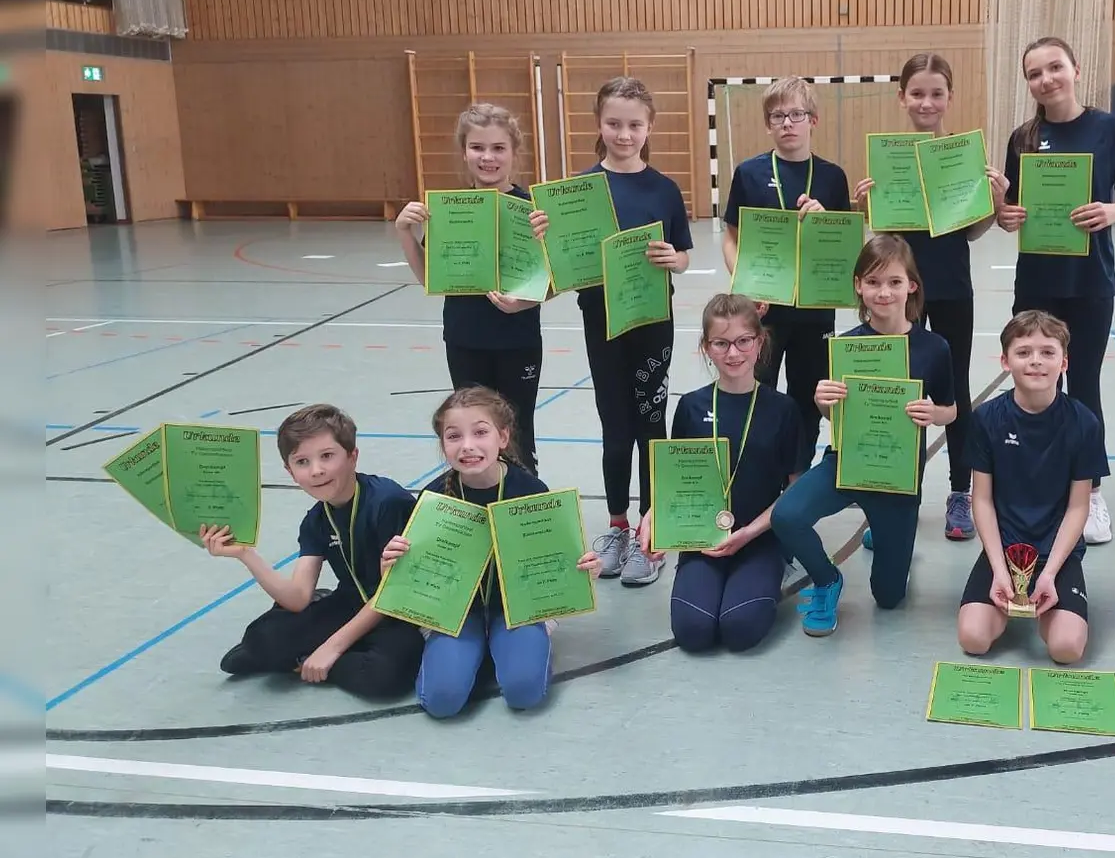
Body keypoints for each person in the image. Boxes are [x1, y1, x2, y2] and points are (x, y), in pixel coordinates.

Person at [531, 76, 692, 587]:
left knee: (650, 423)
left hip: (651, 323)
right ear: (599, 124)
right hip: (601, 323)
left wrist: (676, 259)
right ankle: (618, 526)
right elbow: (557, 268)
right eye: (614, 124)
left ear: (649, 127)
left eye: (635, 125)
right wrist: (544, 236)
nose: (624, 134)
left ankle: (652, 531)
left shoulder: (664, 189)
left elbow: (684, 254)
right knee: (614, 424)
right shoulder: (577, 192)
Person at [850, 52, 1008, 544]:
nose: (926, 101)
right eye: (917, 93)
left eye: (936, 93)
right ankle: (895, 494)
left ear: (949, 99)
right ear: (902, 97)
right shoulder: (888, 159)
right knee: (899, 389)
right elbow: (883, 231)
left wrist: (993, 200)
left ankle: (960, 492)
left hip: (952, 285)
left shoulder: (961, 159)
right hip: (899, 290)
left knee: (952, 389)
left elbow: (976, 231)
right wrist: (864, 204)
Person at [996, 36, 1115, 545]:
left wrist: (1111, 212)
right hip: (1037, 282)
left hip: (1090, 283)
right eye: (1036, 74)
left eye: (1055, 68)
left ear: (1075, 69)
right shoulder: (1022, 137)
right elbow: (1010, 212)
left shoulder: (1106, 128)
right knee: (1037, 388)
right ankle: (1038, 488)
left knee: (1083, 385)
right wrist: (1005, 214)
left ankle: (1091, 495)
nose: (1047, 80)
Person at [771, 234, 956, 637]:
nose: (883, 292)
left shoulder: (933, 347)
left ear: (912, 285)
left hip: (897, 477)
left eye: (893, 281)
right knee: (786, 515)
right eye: (872, 282)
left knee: (889, 599)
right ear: (857, 286)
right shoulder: (845, 347)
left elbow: (952, 410)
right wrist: (823, 400)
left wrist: (933, 412)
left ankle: (887, 532)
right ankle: (826, 579)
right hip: (846, 462)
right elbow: (832, 414)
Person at [381, 387, 601, 719]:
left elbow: (556, 561)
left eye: (480, 432)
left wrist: (583, 569)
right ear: (443, 444)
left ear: (503, 436)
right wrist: (393, 568)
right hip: (456, 613)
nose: (467, 445)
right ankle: (475, 653)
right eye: (453, 436)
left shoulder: (530, 492)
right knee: (441, 702)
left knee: (523, 693)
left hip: (516, 610)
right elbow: (417, 577)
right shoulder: (433, 499)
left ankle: (513, 648)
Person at [200, 404, 423, 698]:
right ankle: (309, 650)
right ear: (290, 471)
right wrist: (245, 554)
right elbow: (297, 598)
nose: (316, 471)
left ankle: (306, 660)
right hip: (349, 603)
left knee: (383, 679)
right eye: (302, 461)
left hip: (395, 610)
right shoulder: (315, 521)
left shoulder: (387, 502)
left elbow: (394, 593)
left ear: (352, 456)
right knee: (261, 640)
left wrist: (331, 648)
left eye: (327, 456)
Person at [638, 294, 801, 653]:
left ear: (760, 343)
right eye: (721, 343)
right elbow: (673, 481)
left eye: (744, 341)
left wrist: (747, 534)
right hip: (701, 539)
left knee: (740, 629)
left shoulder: (783, 409)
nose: (733, 353)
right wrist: (653, 522)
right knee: (693, 632)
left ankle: (774, 572)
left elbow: (795, 492)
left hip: (759, 538)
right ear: (706, 348)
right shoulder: (690, 406)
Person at [394, 104, 543, 472]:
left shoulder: (532, 209)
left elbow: (552, 282)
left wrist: (522, 303)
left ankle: (522, 512)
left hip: (517, 340)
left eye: (498, 148)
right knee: (472, 429)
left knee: (518, 431)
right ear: (464, 152)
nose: (487, 157)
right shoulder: (451, 211)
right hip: (465, 338)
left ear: (513, 152)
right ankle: (478, 507)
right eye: (478, 147)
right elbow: (431, 278)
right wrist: (405, 233)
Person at [955, 311, 1108, 665]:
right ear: (1005, 361)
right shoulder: (987, 419)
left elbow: (1077, 508)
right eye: (1023, 352)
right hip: (1005, 550)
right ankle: (1008, 596)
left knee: (1066, 649)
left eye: (1047, 352)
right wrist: (998, 568)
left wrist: (1051, 572)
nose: (1036, 361)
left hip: (1056, 552)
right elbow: (982, 501)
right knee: (973, 639)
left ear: (1064, 362)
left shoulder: (1083, 423)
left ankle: (1050, 603)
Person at [720, 75, 853, 475]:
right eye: (778, 116)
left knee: (805, 399)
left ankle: (796, 480)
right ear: (767, 123)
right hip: (763, 312)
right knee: (756, 395)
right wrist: (743, 285)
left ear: (813, 120)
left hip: (814, 312)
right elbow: (731, 239)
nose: (787, 123)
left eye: (796, 114)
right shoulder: (749, 173)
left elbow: (847, 251)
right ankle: (756, 478)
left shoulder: (832, 177)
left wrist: (827, 221)